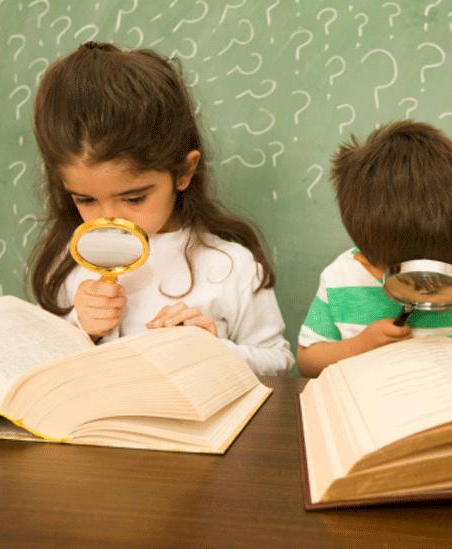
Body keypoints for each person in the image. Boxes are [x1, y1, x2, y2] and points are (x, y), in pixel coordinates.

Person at [27, 42, 293, 376]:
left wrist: (214, 350)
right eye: (86, 200)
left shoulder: (231, 265)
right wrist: (82, 327)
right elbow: (40, 370)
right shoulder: (67, 264)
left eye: (134, 198)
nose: (110, 219)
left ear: (184, 172)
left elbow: (278, 362)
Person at [296, 120, 452, 377]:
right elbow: (307, 361)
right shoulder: (339, 279)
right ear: (367, 263)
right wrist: (360, 346)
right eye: (426, 282)